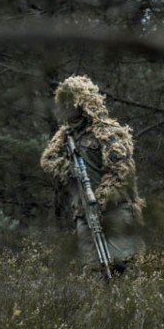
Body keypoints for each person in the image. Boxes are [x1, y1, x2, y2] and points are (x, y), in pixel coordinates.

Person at [40, 75, 145, 275]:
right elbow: (48, 161)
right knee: (94, 271)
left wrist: (101, 199)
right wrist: (67, 167)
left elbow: (122, 172)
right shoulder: (65, 136)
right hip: (84, 214)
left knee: (124, 267)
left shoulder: (106, 131)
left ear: (82, 102)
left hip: (115, 212)